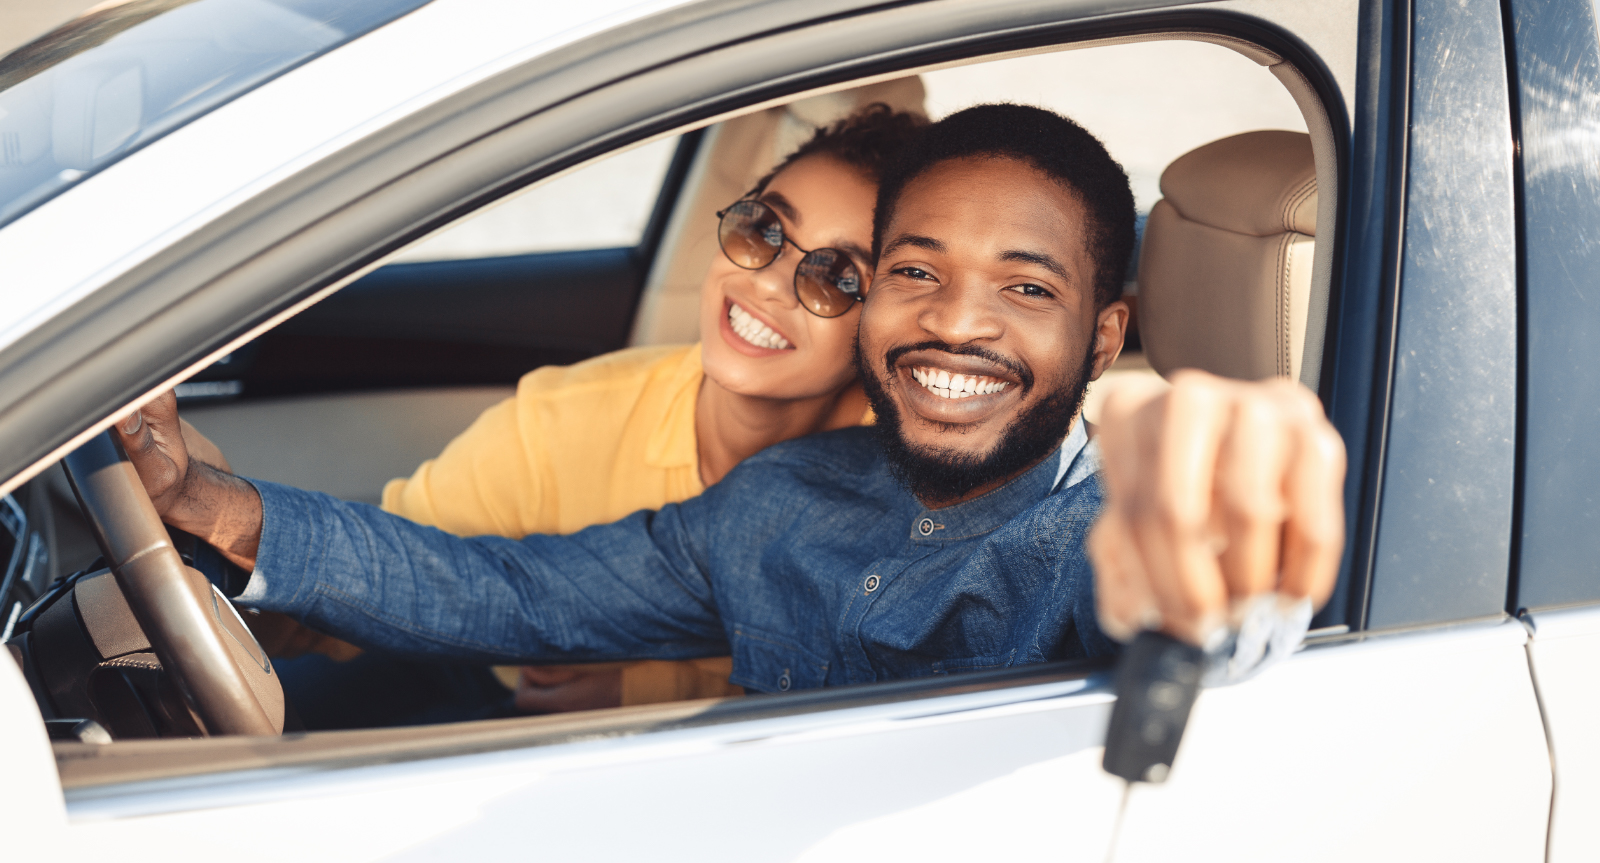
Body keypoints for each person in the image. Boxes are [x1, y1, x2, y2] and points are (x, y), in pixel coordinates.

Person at [119, 104, 1346, 694]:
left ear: (1105, 335)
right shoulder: (774, 504)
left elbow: (1196, 625)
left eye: (1025, 289)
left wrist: (1222, 546)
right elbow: (511, 591)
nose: (956, 321)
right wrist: (218, 506)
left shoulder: (1102, 525)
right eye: (913, 272)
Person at [265, 104, 927, 726]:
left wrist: (648, 694)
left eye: (836, 278)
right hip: (488, 684)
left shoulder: (914, 493)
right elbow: (384, 569)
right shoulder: (565, 418)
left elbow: (886, 700)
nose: (766, 282)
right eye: (764, 230)